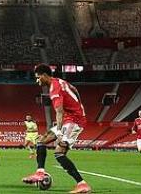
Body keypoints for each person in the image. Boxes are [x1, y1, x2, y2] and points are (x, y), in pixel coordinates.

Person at [22, 64, 91, 193]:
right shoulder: (59, 81)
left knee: (59, 152)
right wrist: (79, 105)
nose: (37, 81)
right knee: (41, 141)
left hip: (75, 121)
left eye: (38, 77)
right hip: (69, 118)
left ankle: (82, 184)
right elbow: (74, 89)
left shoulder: (54, 88)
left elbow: (59, 111)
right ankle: (40, 173)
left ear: (44, 75)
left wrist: (59, 132)